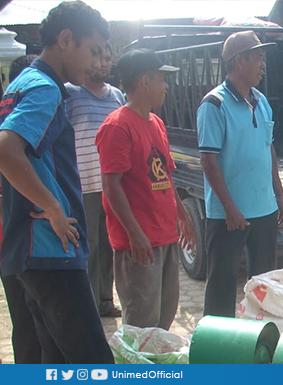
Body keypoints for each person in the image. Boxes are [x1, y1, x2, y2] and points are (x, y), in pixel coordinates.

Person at [0, 1, 114, 363]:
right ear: (66, 40)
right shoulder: (46, 88)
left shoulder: (21, 83)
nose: (98, 63)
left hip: (27, 251)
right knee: (94, 363)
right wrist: (51, 206)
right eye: (93, 51)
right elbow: (6, 151)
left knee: (49, 361)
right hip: (51, 251)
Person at [95, 48, 196, 329]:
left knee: (163, 317)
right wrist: (135, 233)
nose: (166, 86)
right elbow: (110, 186)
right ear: (144, 81)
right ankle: (135, 374)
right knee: (141, 322)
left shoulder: (157, 123)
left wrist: (183, 216)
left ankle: (155, 370)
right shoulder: (117, 126)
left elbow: (165, 174)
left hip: (165, 235)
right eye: (162, 79)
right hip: (139, 244)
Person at [197, 30, 283, 317]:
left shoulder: (261, 101)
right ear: (240, 61)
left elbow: (268, 148)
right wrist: (229, 208)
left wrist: (280, 196)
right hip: (230, 215)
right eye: (259, 59)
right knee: (222, 285)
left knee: (264, 285)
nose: (263, 65)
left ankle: (258, 344)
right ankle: (218, 347)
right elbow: (209, 161)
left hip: (263, 208)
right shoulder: (214, 104)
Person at [66, 41, 124, 318]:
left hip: (113, 187)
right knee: (89, 248)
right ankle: (88, 305)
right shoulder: (70, 94)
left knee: (110, 247)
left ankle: (104, 301)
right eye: (97, 55)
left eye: (107, 58)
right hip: (83, 187)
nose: (102, 63)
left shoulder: (116, 96)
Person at [0, 54, 42, 364]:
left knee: (29, 323)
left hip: (16, 239)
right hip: (18, 239)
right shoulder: (17, 130)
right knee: (30, 323)